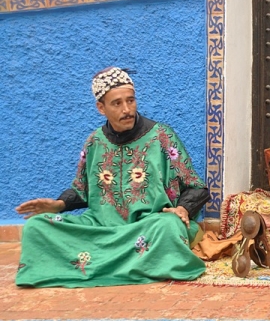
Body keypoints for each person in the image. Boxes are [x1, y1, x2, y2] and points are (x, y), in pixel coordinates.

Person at [15, 67, 210, 288]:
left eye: (131, 101)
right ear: (101, 107)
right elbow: (82, 191)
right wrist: (58, 204)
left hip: (147, 226)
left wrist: (183, 209)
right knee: (36, 228)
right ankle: (131, 265)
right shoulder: (94, 142)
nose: (127, 109)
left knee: (168, 227)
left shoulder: (161, 136)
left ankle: (97, 265)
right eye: (117, 103)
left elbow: (197, 188)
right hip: (101, 226)